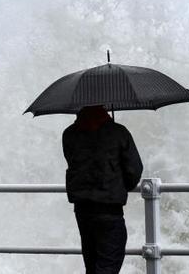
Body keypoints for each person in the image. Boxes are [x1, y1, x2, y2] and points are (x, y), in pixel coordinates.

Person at [62, 105, 143, 274]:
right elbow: (134, 170)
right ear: (103, 109)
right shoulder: (119, 132)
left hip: (82, 209)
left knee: (91, 264)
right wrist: (120, 186)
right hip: (109, 209)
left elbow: (73, 162)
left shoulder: (69, 134)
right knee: (108, 264)